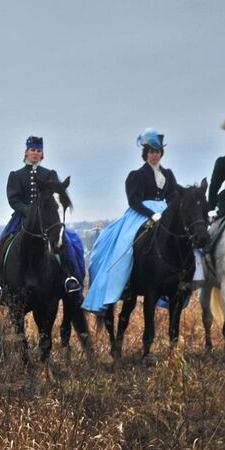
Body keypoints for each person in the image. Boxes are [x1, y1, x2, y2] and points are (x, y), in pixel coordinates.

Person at [82, 129, 179, 314]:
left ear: (161, 154)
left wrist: (168, 213)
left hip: (165, 213)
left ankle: (184, 280)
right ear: (146, 154)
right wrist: (151, 214)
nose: (154, 155)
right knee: (126, 244)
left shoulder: (169, 174)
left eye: (157, 152)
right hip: (140, 214)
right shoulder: (136, 175)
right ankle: (125, 282)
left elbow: (173, 196)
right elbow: (133, 200)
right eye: (151, 152)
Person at [0, 136, 81, 303]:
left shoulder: (50, 174)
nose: (35, 153)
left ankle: (69, 278)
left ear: (42, 153)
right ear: (26, 152)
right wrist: (28, 211)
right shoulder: (16, 176)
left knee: (69, 244)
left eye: (39, 151)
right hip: (22, 218)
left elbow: (56, 196)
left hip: (48, 220)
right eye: (33, 150)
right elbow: (14, 199)